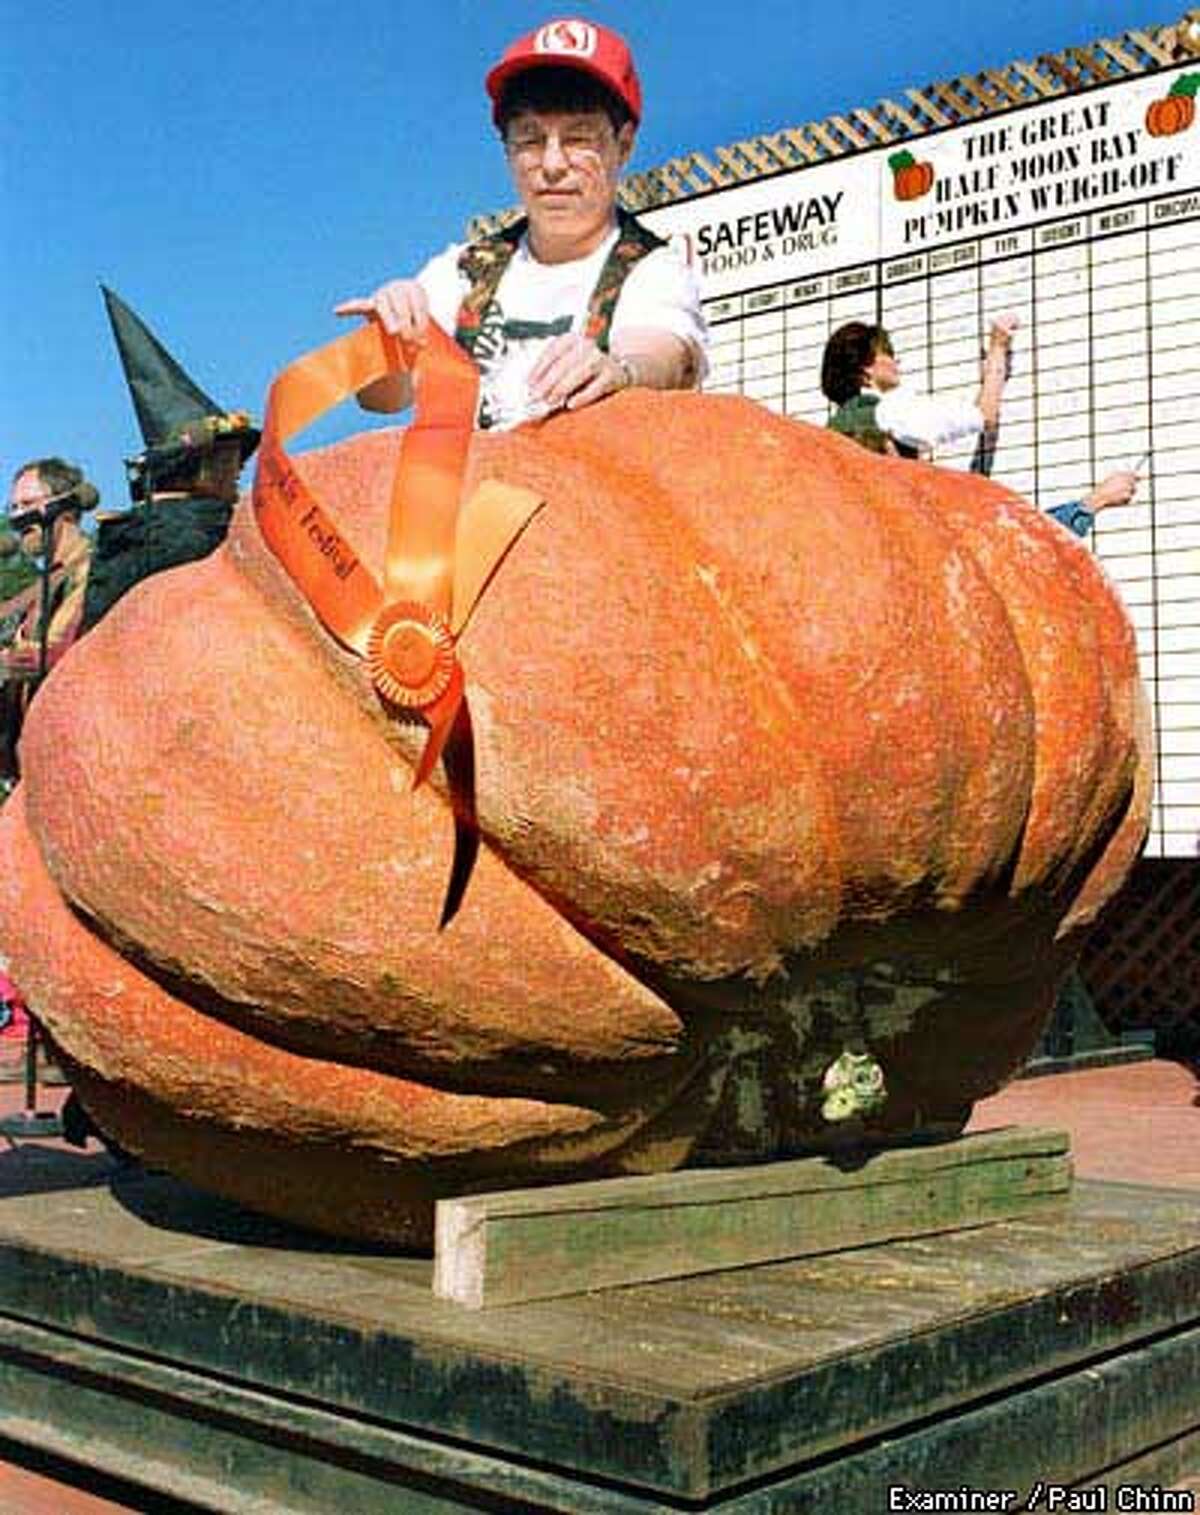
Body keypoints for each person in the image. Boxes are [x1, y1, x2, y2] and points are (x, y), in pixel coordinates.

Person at [336, 18, 708, 431]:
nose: (551, 165)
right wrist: (389, 341)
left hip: (589, 489)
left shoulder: (653, 269)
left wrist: (620, 370)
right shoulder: (463, 270)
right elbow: (381, 399)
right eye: (530, 140)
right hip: (470, 490)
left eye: (578, 139)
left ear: (623, 145)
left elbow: (664, 355)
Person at [78, 287, 259, 634]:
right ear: (200, 465)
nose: (238, 468)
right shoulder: (210, 531)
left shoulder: (121, 541)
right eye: (228, 458)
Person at [1, 457, 97, 792]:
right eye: (13, 507)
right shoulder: (42, 584)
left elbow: (57, 651)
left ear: (67, 507)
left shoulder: (92, 569)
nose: (16, 517)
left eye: (27, 505)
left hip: (71, 760)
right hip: (30, 766)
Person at [822, 317, 1018, 464]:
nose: (896, 362)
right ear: (866, 369)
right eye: (888, 353)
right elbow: (984, 416)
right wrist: (998, 347)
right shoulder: (889, 413)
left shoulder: (831, 430)